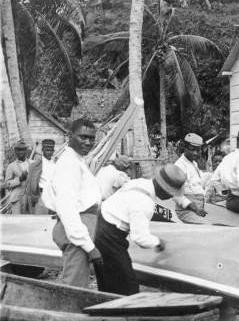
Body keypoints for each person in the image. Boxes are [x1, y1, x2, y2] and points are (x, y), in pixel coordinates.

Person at [94, 163, 186, 295]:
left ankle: (106, 305)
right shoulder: (144, 202)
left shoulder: (140, 183)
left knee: (108, 279)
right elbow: (140, 238)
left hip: (101, 223)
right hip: (108, 235)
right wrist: (159, 242)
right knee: (127, 285)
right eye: (170, 193)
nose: (171, 197)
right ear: (162, 188)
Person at [42, 119, 102, 288]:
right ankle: (67, 313)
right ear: (69, 136)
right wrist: (89, 246)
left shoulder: (77, 160)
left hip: (81, 227)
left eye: (91, 138)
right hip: (76, 232)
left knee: (78, 281)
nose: (88, 142)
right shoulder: (68, 164)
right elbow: (67, 208)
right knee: (74, 286)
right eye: (83, 137)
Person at [174, 133, 208, 222]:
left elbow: (198, 183)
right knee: (207, 229)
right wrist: (195, 207)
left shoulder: (193, 164)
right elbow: (176, 195)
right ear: (184, 147)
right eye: (192, 149)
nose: (195, 153)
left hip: (198, 210)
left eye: (198, 150)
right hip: (186, 211)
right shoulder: (179, 166)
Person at [4, 140, 30, 214]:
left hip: (30, 199)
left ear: (26, 150)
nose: (20, 152)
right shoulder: (11, 166)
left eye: (22, 149)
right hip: (17, 199)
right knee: (17, 221)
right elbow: (7, 184)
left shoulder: (32, 163)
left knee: (31, 222)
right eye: (18, 150)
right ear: (15, 151)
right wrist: (20, 179)